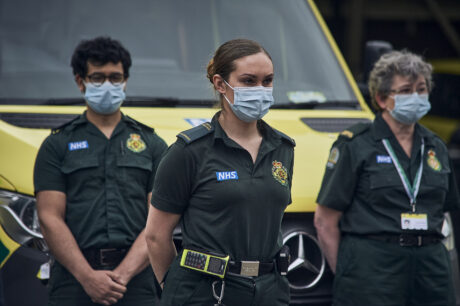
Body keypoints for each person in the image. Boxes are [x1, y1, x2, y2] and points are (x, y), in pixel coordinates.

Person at [145, 38, 295, 306]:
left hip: (269, 291)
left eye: (267, 81)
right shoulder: (189, 151)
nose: (260, 90)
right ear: (219, 84)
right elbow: (156, 235)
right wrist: (175, 289)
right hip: (207, 292)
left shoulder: (283, 148)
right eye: (249, 81)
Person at [314, 50, 460, 306]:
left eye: (421, 89)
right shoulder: (356, 145)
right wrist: (351, 275)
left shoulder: (435, 146)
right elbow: (325, 221)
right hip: (373, 270)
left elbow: (445, 214)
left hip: (431, 271)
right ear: (382, 98)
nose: (415, 97)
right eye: (405, 91)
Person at [34, 36, 167, 306]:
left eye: (115, 78)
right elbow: (49, 218)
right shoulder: (56, 145)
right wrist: (87, 278)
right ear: (80, 81)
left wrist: (122, 276)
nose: (107, 85)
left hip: (138, 280)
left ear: (125, 81)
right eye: (97, 78)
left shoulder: (152, 144)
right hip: (74, 280)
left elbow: (160, 220)